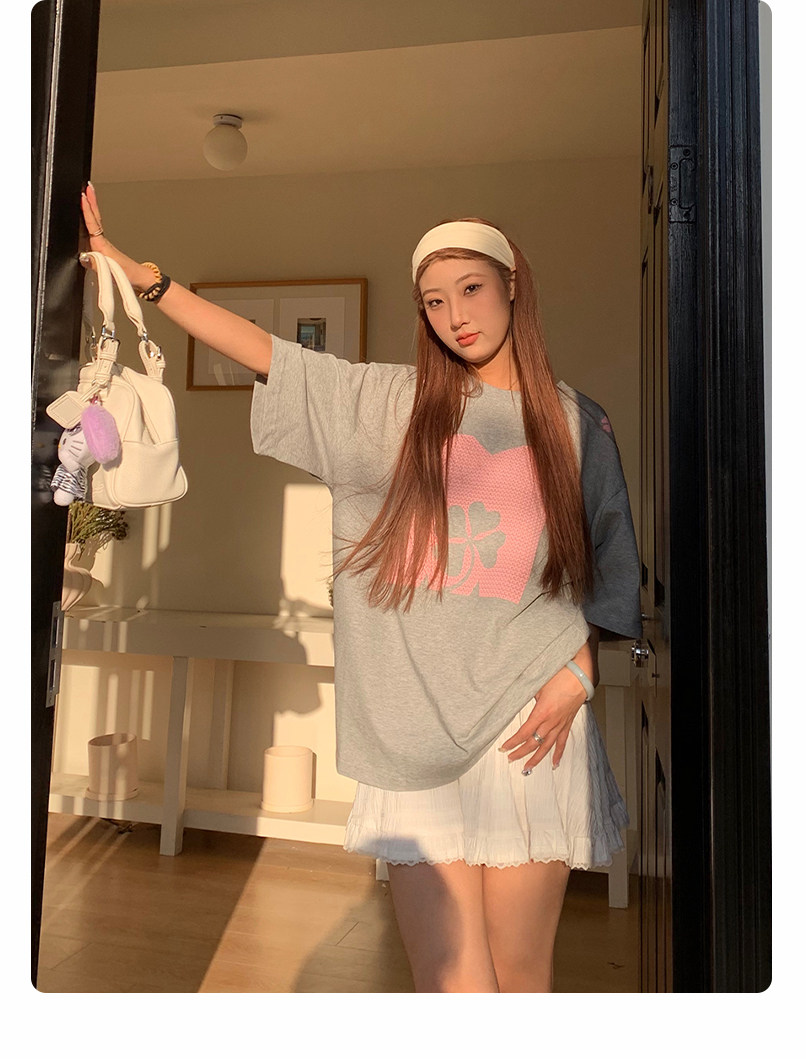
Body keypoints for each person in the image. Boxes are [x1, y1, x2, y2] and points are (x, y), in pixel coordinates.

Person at [79, 185, 642, 993]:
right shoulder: (388, 404)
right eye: (435, 301)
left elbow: (612, 567)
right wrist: (149, 281)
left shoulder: (575, 421)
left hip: (530, 726)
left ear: (514, 284)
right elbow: (267, 353)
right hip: (409, 732)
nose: (456, 316)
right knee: (450, 980)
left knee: (522, 976)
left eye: (472, 289)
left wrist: (579, 674)